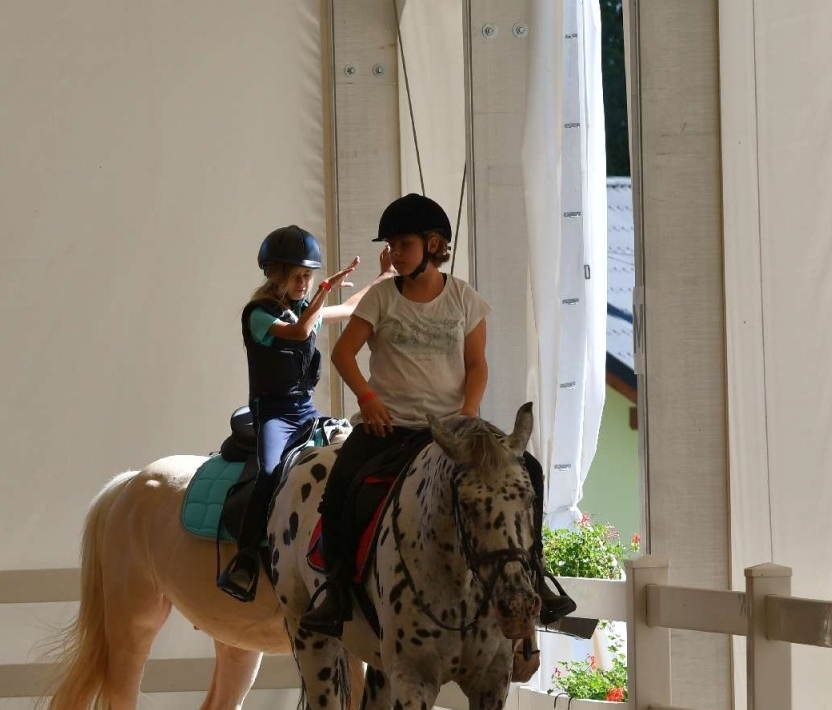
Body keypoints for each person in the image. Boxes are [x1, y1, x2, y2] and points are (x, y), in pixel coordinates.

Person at [298, 192, 576, 636]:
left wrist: (467, 412)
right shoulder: (381, 299)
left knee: (532, 473)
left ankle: (536, 574)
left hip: (454, 429)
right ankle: (335, 589)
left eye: (402, 244)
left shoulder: (465, 299)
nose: (392, 254)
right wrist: (368, 400)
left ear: (432, 245)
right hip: (389, 427)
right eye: (389, 245)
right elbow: (344, 355)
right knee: (341, 486)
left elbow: (477, 365)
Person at [216, 225, 392, 601]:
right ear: (277, 274)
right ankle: (246, 557)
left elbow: (348, 309)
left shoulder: (303, 307)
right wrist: (324, 292)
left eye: (309, 276)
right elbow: (299, 332)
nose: (304, 282)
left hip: (305, 411)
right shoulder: (258, 315)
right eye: (298, 276)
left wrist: (383, 278)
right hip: (275, 415)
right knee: (267, 473)